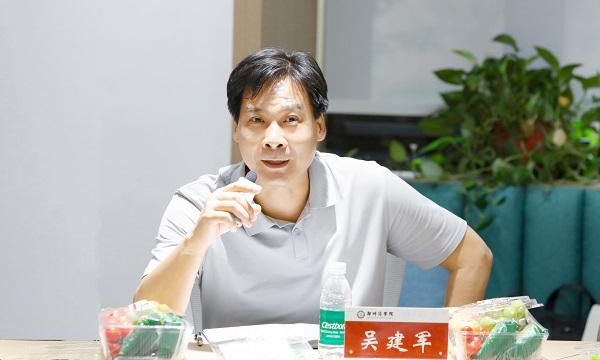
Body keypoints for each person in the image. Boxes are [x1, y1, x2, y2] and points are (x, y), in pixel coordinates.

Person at [134, 47, 493, 329]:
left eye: (291, 120)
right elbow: (147, 317)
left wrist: (452, 349)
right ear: (237, 130)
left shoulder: (370, 188)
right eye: (256, 120)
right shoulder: (199, 202)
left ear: (319, 127)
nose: (274, 139)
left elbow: (473, 257)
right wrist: (196, 240)